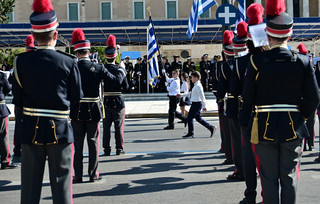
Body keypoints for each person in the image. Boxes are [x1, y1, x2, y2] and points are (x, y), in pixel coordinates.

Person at [242, 0, 320, 203]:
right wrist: (300, 115)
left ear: (268, 34)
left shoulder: (255, 61)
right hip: (293, 125)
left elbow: (248, 97)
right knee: (289, 177)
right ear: (290, 34)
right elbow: (313, 98)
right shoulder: (303, 61)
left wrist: (245, 122)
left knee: (268, 178)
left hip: (264, 125)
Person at [12, 0, 83, 203]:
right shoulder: (69, 62)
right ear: (55, 35)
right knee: (62, 191)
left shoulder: (20, 62)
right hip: (60, 132)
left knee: (29, 192)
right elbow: (76, 101)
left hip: (30, 132)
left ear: (33, 36)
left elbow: (18, 100)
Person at [235, 3, 267, 204]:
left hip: (248, 114)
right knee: (268, 159)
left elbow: (238, 91)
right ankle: (268, 195)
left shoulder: (241, 63)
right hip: (269, 114)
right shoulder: (272, 59)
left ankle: (251, 194)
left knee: (248, 153)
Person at [70, 28, 104, 183]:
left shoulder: (72, 67)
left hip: (77, 110)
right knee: (93, 143)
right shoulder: (97, 67)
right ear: (89, 52)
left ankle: (78, 175)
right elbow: (115, 80)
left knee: (77, 145)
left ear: (77, 52)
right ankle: (93, 174)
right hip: (93, 110)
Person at [218, 29, 245, 182]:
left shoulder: (225, 66)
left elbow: (221, 90)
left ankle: (240, 169)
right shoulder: (251, 61)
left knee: (236, 138)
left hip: (234, 104)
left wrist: (221, 99)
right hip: (250, 104)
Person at [11, 34, 37, 164]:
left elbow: (14, 84)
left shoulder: (19, 61)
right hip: (34, 102)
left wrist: (18, 100)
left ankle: (17, 150)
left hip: (21, 102)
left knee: (19, 127)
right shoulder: (38, 60)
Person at [103, 35, 129, 156]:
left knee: (106, 128)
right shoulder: (120, 70)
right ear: (115, 56)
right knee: (118, 128)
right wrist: (123, 70)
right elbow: (126, 87)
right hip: (118, 101)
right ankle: (119, 148)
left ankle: (106, 149)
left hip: (106, 101)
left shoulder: (102, 69)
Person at [178, 71, 216, 138]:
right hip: (195, 103)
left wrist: (204, 106)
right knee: (198, 118)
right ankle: (211, 127)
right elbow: (191, 93)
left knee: (190, 118)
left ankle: (191, 133)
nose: (191, 79)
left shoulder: (198, 86)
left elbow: (202, 96)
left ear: (196, 78)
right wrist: (181, 95)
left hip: (197, 104)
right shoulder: (196, 85)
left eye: (192, 77)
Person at [297, 43, 316, 151]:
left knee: (303, 123)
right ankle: (311, 144)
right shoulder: (310, 64)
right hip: (309, 98)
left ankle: (304, 145)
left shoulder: (298, 64)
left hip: (301, 98)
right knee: (310, 123)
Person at [0, 65, 17, 170]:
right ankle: (5, 160)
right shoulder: (1, 75)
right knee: (3, 136)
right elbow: (8, 88)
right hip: (0, 108)